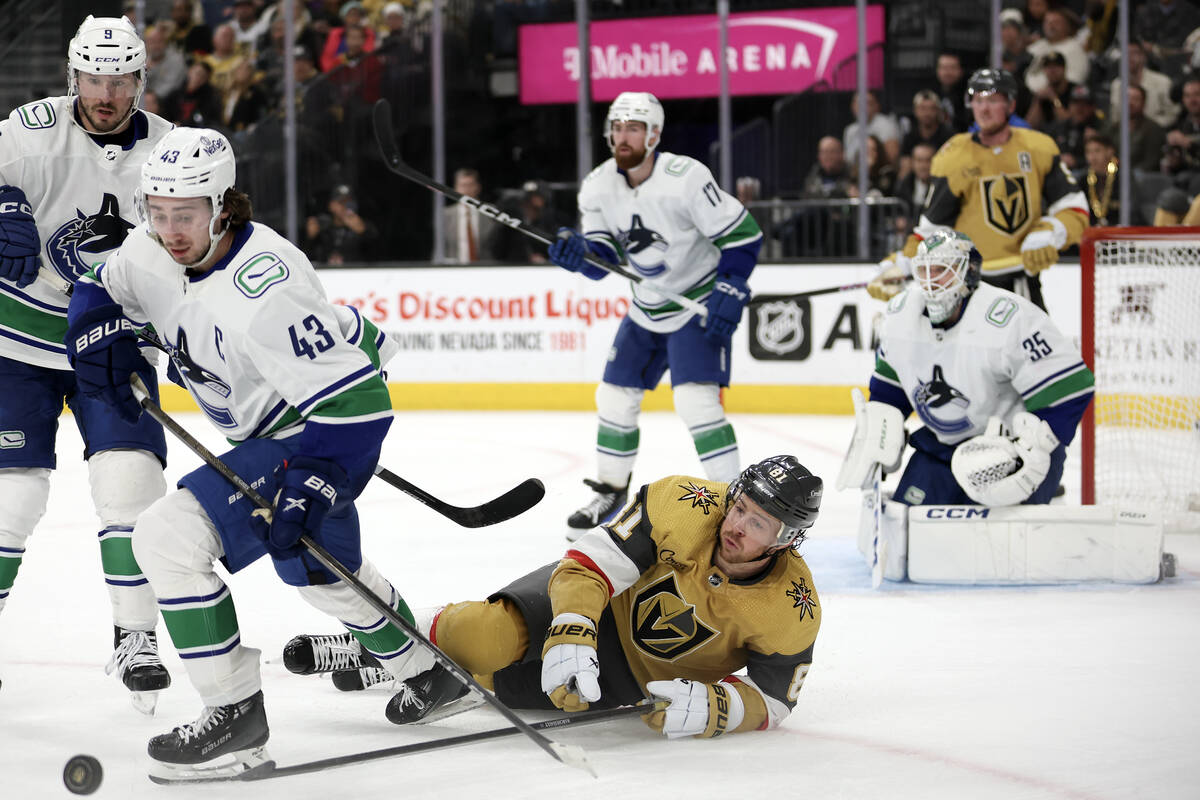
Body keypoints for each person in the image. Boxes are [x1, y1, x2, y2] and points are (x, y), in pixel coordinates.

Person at [64, 127, 433, 780]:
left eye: (187, 214)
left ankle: (235, 719)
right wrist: (93, 326)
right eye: (157, 212)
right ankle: (430, 675)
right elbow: (103, 278)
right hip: (262, 433)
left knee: (168, 538)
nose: (170, 230)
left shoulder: (265, 291)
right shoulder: (151, 249)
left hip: (312, 432)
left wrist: (318, 479)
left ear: (225, 206)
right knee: (318, 570)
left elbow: (357, 407)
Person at [284, 455, 823, 735]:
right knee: (485, 634)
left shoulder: (791, 607)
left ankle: (412, 667)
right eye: (741, 507)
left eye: (759, 525)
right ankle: (373, 645)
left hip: (628, 683)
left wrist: (719, 707)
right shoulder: (684, 502)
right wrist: (574, 626)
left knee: (492, 680)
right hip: (588, 603)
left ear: (786, 541)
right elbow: (590, 564)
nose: (737, 526)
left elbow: (776, 699)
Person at [0, 15, 174, 712]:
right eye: (94, 78)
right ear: (73, 76)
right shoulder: (27, 128)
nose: (106, 92)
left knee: (132, 485)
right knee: (9, 499)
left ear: (140, 80)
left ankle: (136, 640)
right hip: (16, 342)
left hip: (110, 339)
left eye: (121, 79)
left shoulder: (170, 149)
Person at [546, 92, 763, 540]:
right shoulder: (598, 185)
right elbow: (604, 259)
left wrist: (730, 285)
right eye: (617, 127)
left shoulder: (685, 178)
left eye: (634, 127)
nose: (623, 136)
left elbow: (744, 235)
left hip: (695, 302)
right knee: (613, 397)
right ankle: (610, 490)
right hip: (646, 307)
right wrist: (579, 252)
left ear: (654, 135)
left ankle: (731, 501)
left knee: (696, 402)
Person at [837, 229, 1094, 520]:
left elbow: (1070, 387)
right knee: (910, 540)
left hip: (1008, 456)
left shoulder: (1009, 317)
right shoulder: (900, 316)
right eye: (924, 271)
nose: (932, 281)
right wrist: (879, 434)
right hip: (941, 451)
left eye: (942, 270)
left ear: (968, 271)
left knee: (1001, 554)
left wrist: (1032, 450)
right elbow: (890, 387)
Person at [869, 68, 1088, 311]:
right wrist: (901, 262)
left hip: (1022, 283)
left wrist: (1050, 231)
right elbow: (932, 230)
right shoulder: (954, 155)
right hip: (971, 283)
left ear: (1011, 105)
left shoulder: (1038, 147)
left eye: (993, 100)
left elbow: (1075, 208)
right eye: (978, 100)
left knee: (1037, 348)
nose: (984, 109)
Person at [440, 168, 498, 262]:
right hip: (455, 270)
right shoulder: (445, 215)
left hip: (486, 269)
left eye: (470, 185)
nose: (466, 190)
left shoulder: (491, 211)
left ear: (478, 187)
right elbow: (441, 247)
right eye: (463, 185)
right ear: (456, 188)